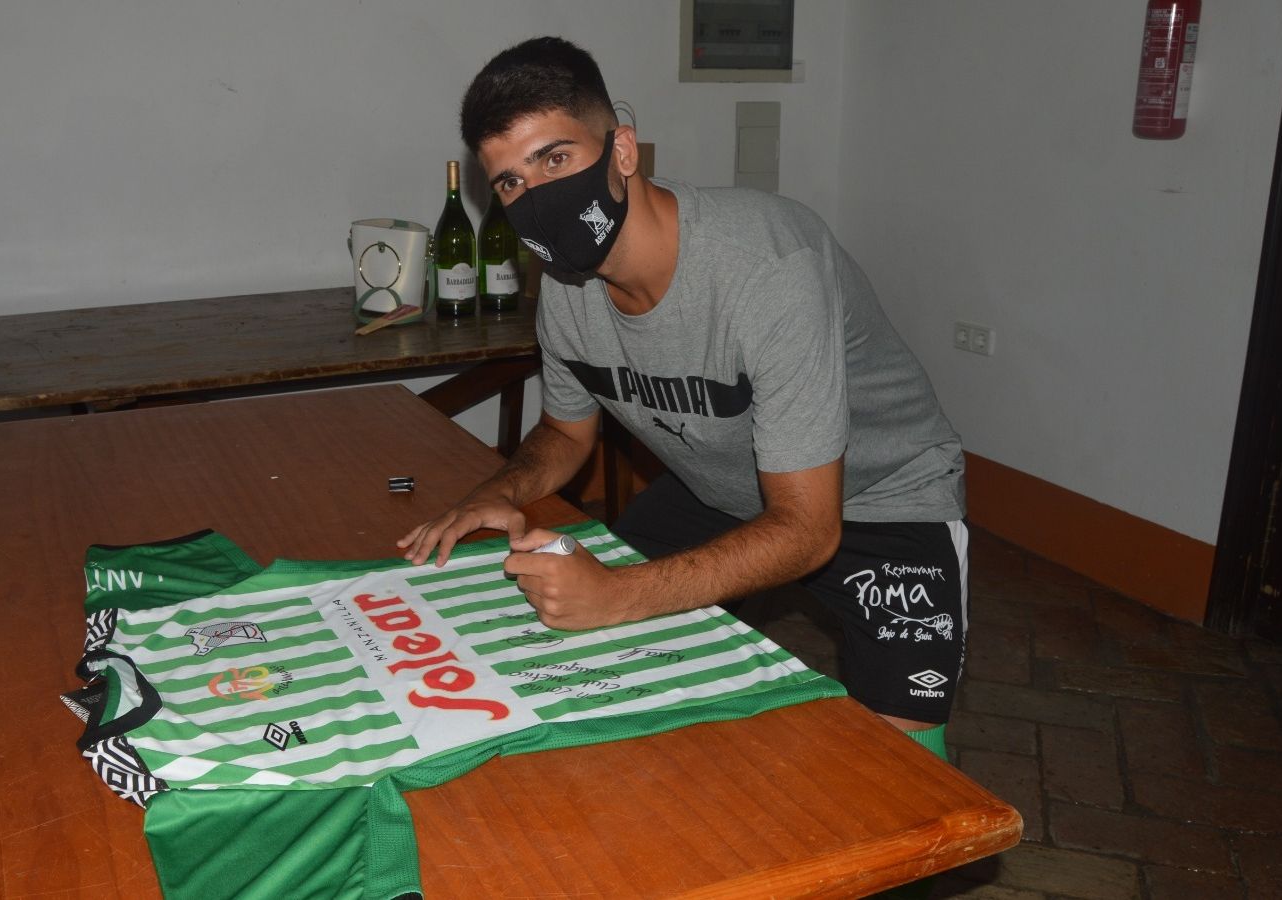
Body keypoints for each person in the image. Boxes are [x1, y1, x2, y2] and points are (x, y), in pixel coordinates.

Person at [397, 36, 968, 756]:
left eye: (555, 158)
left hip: (881, 503)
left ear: (623, 151)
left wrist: (616, 594)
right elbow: (567, 436)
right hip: (721, 488)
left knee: (906, 780)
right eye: (511, 182)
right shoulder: (568, 291)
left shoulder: (767, 270)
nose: (536, 196)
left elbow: (807, 530)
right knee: (574, 663)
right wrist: (503, 487)